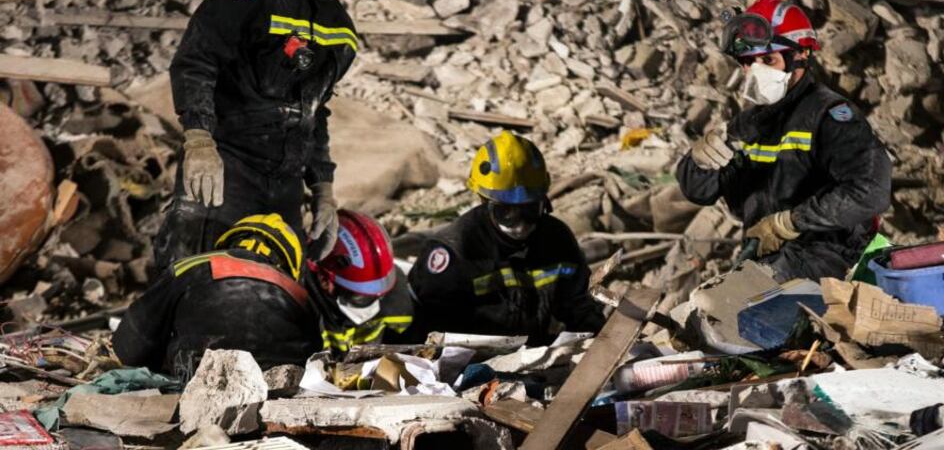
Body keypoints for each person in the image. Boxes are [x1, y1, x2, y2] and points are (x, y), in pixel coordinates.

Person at [154, 0, 412, 269]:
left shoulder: (339, 25)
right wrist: (199, 140)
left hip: (285, 189)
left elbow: (314, 110)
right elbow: (197, 61)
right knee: (193, 292)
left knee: (276, 308)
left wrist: (322, 187)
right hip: (225, 175)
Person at [676, 0, 892, 281]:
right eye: (748, 62)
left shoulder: (832, 116)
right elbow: (700, 192)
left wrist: (790, 222)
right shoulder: (750, 122)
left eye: (768, 59)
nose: (756, 72)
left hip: (830, 262)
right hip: (769, 260)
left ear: (801, 55)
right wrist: (698, 162)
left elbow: (871, 191)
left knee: (733, 310)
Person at [407, 131, 606, 345]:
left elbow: (579, 305)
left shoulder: (557, 239)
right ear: (484, 201)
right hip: (467, 367)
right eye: (506, 213)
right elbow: (423, 332)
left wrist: (601, 341)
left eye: (530, 210)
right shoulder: (454, 252)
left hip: (535, 359)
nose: (520, 224)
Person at [113, 214, 319, 380]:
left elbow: (130, 347)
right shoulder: (300, 295)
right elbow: (315, 360)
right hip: (280, 391)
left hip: (200, 382)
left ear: (228, 242)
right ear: (289, 262)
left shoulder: (191, 265)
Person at [305, 209, 414, 353]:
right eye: (360, 295)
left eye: (376, 294)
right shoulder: (299, 307)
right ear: (325, 280)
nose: (372, 301)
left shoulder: (395, 300)